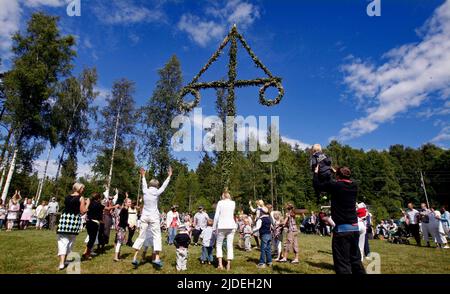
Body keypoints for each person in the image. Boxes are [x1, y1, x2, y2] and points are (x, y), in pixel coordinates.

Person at [313, 165, 365, 274]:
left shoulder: (335, 185)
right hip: (354, 229)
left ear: (337, 176)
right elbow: (344, 179)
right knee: (355, 262)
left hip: (342, 231)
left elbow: (317, 186)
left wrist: (316, 172)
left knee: (343, 264)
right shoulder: (354, 186)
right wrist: (336, 171)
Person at [131, 167, 172, 269]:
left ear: (150, 185)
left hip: (144, 216)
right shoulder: (157, 192)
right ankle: (157, 258)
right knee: (157, 236)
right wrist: (169, 176)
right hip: (153, 216)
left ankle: (135, 257)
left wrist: (143, 175)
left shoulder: (145, 190)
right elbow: (164, 186)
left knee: (141, 236)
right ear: (157, 185)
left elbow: (144, 183)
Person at [56, 183, 88, 270]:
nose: (83, 190)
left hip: (65, 219)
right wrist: (87, 203)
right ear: (78, 188)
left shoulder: (67, 197)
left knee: (62, 241)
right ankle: (65, 260)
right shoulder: (81, 198)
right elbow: (83, 211)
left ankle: (62, 262)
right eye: (82, 188)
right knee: (70, 242)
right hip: (74, 220)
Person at [213, 191, 236, 271]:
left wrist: (213, 227)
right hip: (231, 225)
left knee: (219, 244)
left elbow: (216, 216)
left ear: (222, 196)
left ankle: (220, 264)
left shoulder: (220, 203)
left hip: (222, 225)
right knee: (230, 245)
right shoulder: (233, 203)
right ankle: (228, 264)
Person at [83, 193, 104, 260]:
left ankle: (85, 252)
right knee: (92, 240)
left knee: (90, 238)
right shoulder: (99, 205)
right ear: (98, 198)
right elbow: (106, 208)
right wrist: (114, 207)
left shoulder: (90, 204)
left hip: (88, 222)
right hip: (94, 223)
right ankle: (87, 254)